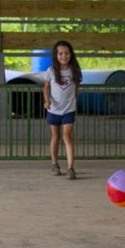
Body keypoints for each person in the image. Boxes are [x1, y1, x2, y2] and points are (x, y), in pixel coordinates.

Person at [41, 40, 82, 180]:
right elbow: (46, 87)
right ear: (56, 55)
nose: (63, 56)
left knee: (67, 136)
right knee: (55, 136)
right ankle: (55, 164)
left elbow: (76, 87)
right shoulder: (51, 71)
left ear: (71, 54)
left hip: (69, 109)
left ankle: (70, 167)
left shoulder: (74, 71)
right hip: (54, 109)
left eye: (66, 53)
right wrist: (47, 100)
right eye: (60, 53)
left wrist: (74, 101)